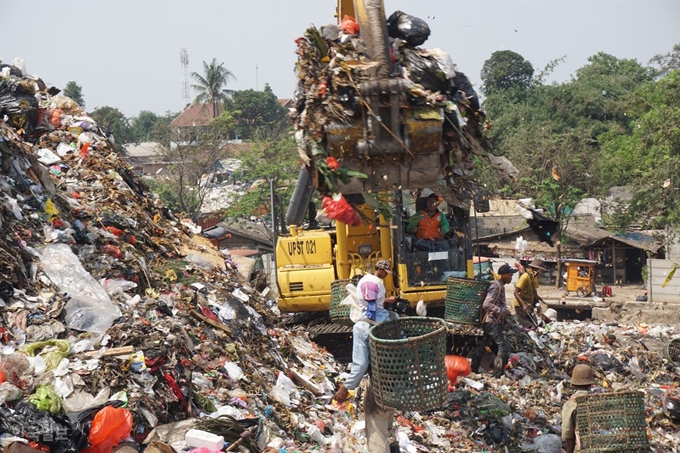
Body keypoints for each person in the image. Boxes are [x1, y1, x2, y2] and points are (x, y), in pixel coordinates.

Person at [333, 259, 398, 453]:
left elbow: (361, 365)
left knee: (377, 431)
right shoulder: (393, 319)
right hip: (395, 384)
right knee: (388, 426)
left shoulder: (362, 327)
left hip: (379, 386)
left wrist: (346, 388)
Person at [471, 263, 517, 377]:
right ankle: (498, 375)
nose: (511, 277)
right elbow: (487, 304)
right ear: (504, 275)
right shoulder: (496, 286)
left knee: (484, 346)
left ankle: (473, 370)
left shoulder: (501, 285)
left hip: (493, 322)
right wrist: (501, 311)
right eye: (510, 275)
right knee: (503, 347)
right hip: (492, 322)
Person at [562, 364, 596, 453]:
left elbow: (568, 435)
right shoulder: (598, 401)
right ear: (591, 384)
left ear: (573, 384)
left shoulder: (570, 404)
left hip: (583, 449)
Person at [513, 258, 547, 328]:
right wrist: (523, 305)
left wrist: (538, 303)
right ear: (537, 269)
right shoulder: (525, 277)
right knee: (527, 325)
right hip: (521, 305)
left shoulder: (535, 278)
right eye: (540, 270)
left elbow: (534, 293)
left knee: (534, 323)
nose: (541, 272)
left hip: (529, 304)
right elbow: (515, 292)